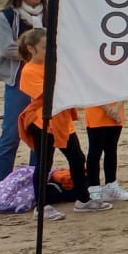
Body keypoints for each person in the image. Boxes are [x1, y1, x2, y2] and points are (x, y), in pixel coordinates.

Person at [15, 28, 112, 215]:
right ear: (31, 49)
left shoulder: (55, 64)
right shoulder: (29, 70)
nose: (50, 51)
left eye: (52, 47)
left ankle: (83, 200)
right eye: (45, 47)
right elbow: (48, 95)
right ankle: (41, 206)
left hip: (61, 120)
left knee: (77, 158)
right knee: (45, 163)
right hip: (42, 122)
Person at [0, 0, 45, 189]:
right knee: (11, 134)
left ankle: (36, 185)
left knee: (41, 134)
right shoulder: (5, 17)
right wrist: (40, 54)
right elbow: (7, 48)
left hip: (44, 80)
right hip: (18, 81)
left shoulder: (49, 14)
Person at [82, 95, 128, 202]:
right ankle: (94, 190)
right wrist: (109, 109)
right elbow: (90, 90)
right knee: (95, 152)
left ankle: (111, 185)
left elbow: (124, 89)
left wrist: (117, 107)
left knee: (111, 150)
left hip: (116, 110)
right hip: (96, 110)